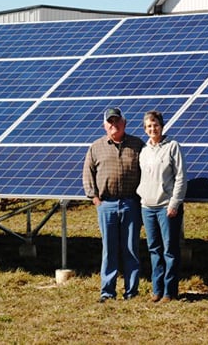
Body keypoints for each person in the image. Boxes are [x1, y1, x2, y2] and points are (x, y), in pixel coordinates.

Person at [83, 107, 145, 302]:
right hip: (106, 204)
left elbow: (147, 171)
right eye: (110, 122)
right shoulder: (96, 147)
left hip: (130, 203)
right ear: (104, 125)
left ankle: (131, 291)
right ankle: (107, 292)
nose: (114, 125)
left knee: (131, 248)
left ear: (124, 123)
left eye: (117, 121)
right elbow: (88, 174)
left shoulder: (137, 145)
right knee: (109, 250)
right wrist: (95, 199)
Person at [137, 110, 187, 303]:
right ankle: (156, 290)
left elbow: (181, 177)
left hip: (167, 207)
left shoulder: (173, 147)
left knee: (169, 250)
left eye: (155, 125)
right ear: (145, 129)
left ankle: (170, 292)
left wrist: (175, 203)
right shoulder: (144, 150)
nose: (152, 129)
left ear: (162, 126)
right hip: (147, 207)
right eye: (149, 126)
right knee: (154, 249)